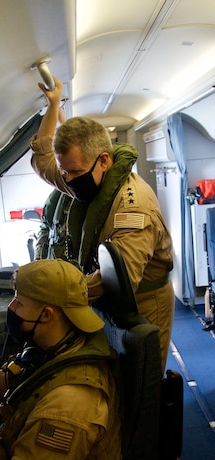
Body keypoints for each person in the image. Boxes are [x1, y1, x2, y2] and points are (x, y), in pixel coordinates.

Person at [30, 76, 174, 371]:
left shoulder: (134, 208)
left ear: (104, 161)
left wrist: (55, 293)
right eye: (64, 172)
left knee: (142, 384)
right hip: (101, 294)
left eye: (74, 172)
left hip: (144, 300)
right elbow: (43, 156)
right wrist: (53, 103)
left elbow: (118, 282)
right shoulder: (82, 176)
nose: (67, 181)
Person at [0, 259, 122, 460]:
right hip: (11, 439)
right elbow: (35, 382)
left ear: (46, 315)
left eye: (19, 302)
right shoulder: (66, 344)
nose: (11, 307)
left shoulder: (66, 408)